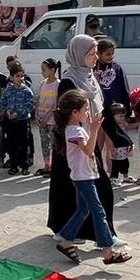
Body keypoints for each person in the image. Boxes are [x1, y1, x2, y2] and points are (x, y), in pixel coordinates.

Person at [52, 89, 131, 265]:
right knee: (98, 211)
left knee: (83, 210)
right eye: (85, 109)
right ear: (74, 112)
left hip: (84, 175)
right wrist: (95, 128)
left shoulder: (76, 128)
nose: (88, 113)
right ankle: (108, 252)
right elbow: (88, 150)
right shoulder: (74, 131)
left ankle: (66, 241)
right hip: (83, 177)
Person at [47, 34, 109, 242]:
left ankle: (95, 233)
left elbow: (101, 107)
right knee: (68, 188)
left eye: (95, 54)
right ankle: (67, 231)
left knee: (93, 192)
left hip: (88, 137)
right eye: (91, 54)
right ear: (78, 54)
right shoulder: (69, 81)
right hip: (72, 143)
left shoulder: (90, 77)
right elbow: (65, 113)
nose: (95, 58)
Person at [94, 38, 132, 184]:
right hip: (98, 113)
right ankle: (97, 172)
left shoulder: (117, 68)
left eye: (112, 54)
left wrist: (127, 111)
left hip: (115, 114)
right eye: (107, 54)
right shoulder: (92, 69)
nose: (111, 57)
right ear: (98, 54)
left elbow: (124, 89)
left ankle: (112, 174)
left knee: (114, 145)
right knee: (97, 144)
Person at [0, 65, 36, 176]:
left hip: (22, 121)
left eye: (22, 76)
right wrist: (6, 112)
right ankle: (13, 166)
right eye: (17, 76)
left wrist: (18, 113)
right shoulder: (7, 91)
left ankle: (24, 166)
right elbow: (2, 104)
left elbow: (30, 105)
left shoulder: (27, 91)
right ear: (11, 77)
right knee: (11, 144)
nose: (20, 78)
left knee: (23, 144)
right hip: (10, 122)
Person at [33, 59, 61, 177]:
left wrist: (47, 117)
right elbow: (38, 100)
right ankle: (47, 165)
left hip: (51, 120)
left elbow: (56, 103)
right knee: (44, 143)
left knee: (54, 143)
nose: (42, 72)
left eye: (44, 70)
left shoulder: (58, 84)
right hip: (41, 118)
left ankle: (55, 167)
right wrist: (36, 114)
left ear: (52, 70)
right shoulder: (43, 83)